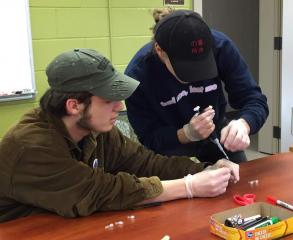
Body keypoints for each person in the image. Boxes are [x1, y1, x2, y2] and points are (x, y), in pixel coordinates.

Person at [0, 48, 239, 223]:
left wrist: (206, 170)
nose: (120, 107)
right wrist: (188, 187)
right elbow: (100, 191)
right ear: (74, 106)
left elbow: (146, 162)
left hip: (64, 221)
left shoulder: (96, 129)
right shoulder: (30, 147)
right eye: (108, 100)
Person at [124, 9, 269, 164]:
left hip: (216, 135)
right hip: (170, 144)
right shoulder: (137, 76)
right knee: (181, 186)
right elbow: (149, 137)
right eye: (186, 69)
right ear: (160, 51)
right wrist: (186, 134)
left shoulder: (221, 47)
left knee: (240, 181)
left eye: (201, 66)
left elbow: (255, 100)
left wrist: (244, 124)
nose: (195, 76)